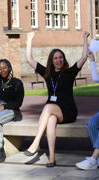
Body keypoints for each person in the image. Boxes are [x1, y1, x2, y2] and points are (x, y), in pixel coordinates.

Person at [24, 31, 90, 167]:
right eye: (55, 58)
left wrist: (84, 39)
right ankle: (52, 158)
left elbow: (83, 57)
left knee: (47, 107)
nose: (58, 60)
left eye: (61, 57)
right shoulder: (47, 73)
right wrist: (29, 40)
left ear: (63, 59)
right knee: (51, 119)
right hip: (53, 112)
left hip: (68, 111)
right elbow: (29, 59)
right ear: (51, 61)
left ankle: (36, 142)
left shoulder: (70, 72)